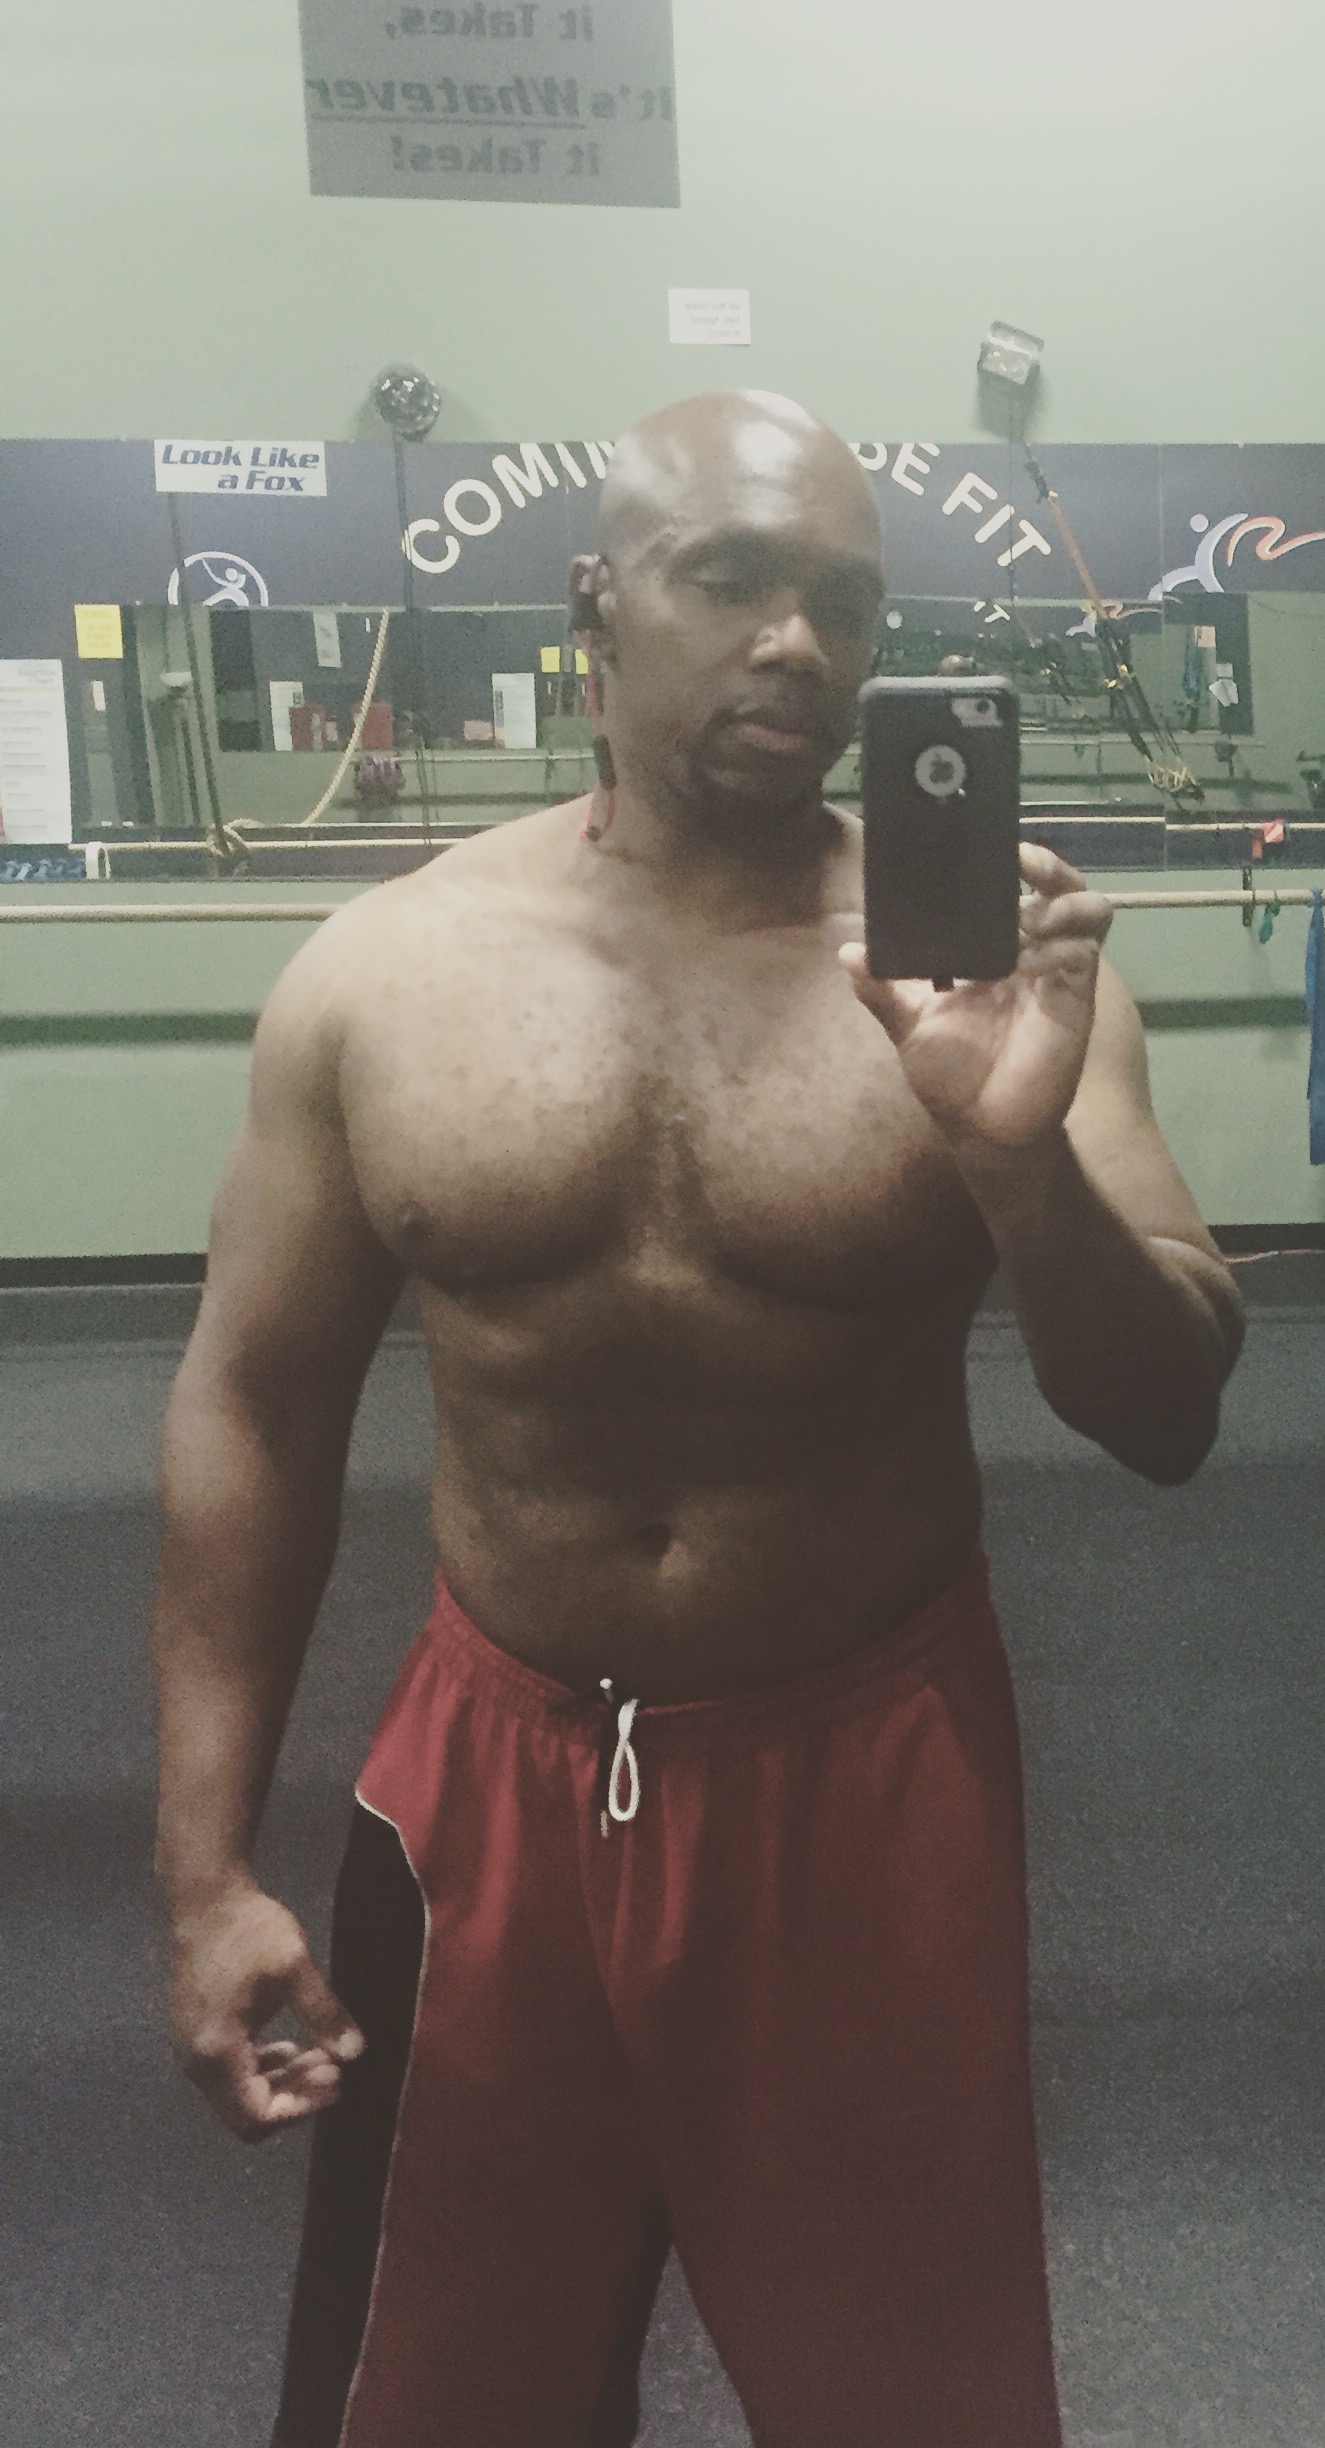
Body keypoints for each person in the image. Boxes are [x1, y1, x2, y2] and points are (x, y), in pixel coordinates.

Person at [150, 389, 1243, 2448]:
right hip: (489, 1791)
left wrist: (1018, 1167)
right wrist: (206, 1873)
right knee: (437, 2409)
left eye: (846, 603)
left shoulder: (1001, 973)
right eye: (729, 580)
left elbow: (1167, 1402)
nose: (795, 645)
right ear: (598, 603)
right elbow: (256, 1404)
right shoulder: (384, 979)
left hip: (865, 1786)